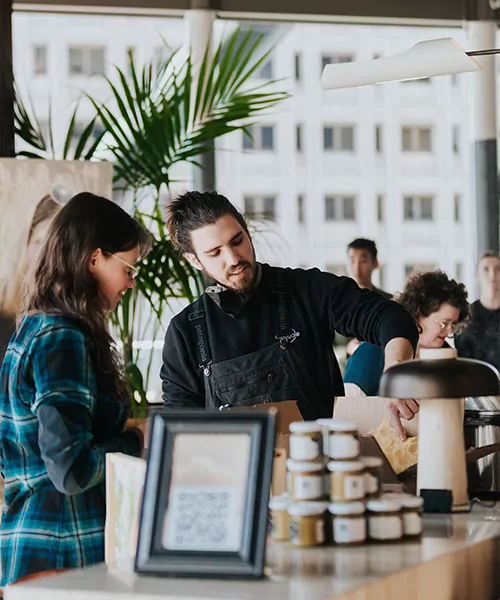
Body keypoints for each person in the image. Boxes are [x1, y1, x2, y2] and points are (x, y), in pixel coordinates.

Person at [160, 191, 419, 426]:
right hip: (237, 475)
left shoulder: (307, 290)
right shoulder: (185, 331)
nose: (233, 258)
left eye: (237, 241)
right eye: (215, 252)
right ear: (193, 260)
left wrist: (395, 370)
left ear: (247, 232)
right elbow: (180, 425)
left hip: (321, 468)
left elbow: (390, 316)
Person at [0, 192, 152, 586]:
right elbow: (71, 471)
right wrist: (138, 440)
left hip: (40, 544)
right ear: (94, 258)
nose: (131, 283)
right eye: (128, 268)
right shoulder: (61, 339)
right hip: (62, 549)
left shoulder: (35, 328)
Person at [344, 270, 469, 435]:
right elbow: (348, 415)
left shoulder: (446, 357)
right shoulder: (371, 352)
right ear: (417, 314)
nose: (448, 331)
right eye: (444, 323)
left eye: (454, 324)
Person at [345, 238, 392, 358]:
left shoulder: (389, 302)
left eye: (363, 261)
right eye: (352, 261)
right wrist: (347, 349)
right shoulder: (336, 302)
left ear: (375, 263)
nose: (357, 268)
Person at [455, 252, 500, 372]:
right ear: (477, 275)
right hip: (476, 385)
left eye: (498, 269)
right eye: (486, 269)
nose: (492, 275)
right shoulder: (465, 317)